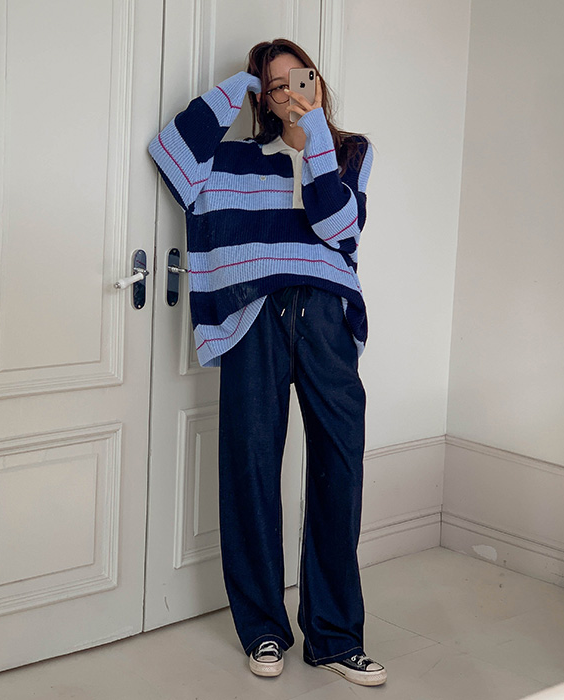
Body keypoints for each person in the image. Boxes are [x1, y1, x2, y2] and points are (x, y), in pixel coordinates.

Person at [148, 38, 385, 688]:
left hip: (325, 316)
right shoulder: (233, 159)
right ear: (262, 97)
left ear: (317, 80)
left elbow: (339, 228)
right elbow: (170, 155)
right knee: (250, 467)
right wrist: (239, 86)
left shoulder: (350, 151)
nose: (288, 93)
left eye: (297, 79)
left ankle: (335, 638)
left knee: (340, 466)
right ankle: (263, 630)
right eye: (274, 86)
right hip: (254, 314)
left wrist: (315, 136)